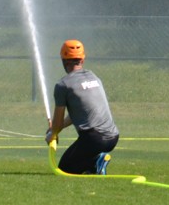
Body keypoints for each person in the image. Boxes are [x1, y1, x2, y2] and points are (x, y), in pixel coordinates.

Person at [46, 39, 120, 175]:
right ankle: (94, 165)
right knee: (77, 162)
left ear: (64, 60)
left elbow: (56, 124)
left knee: (65, 169)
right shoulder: (94, 78)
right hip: (113, 138)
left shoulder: (63, 85)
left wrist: (52, 133)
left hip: (94, 139)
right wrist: (56, 128)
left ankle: (96, 161)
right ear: (82, 59)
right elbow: (79, 113)